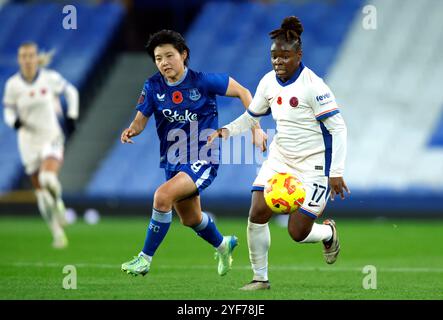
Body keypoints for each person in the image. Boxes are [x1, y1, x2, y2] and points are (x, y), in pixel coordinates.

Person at [208, 16, 350, 290]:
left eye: (285, 56)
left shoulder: (314, 86)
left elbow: (339, 128)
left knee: (297, 232)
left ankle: (328, 232)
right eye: (274, 56)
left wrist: (337, 172)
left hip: (314, 166)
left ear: (299, 55)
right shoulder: (268, 83)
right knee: (257, 212)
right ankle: (260, 278)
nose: (278, 62)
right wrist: (224, 131)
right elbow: (251, 117)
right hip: (280, 158)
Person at [120, 30, 266, 277]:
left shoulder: (203, 82)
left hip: (203, 157)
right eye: (158, 58)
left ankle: (144, 259)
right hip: (173, 160)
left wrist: (256, 128)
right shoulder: (153, 85)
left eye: (169, 56)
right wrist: (131, 130)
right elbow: (140, 120)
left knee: (162, 196)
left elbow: (244, 92)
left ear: (183, 54)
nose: (164, 62)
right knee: (190, 219)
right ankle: (224, 244)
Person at [2, 42, 79, 249]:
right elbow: (8, 111)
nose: (27, 60)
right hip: (28, 143)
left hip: (51, 137)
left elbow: (71, 92)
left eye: (31, 55)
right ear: (19, 60)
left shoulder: (49, 78)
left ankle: (60, 204)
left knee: (48, 178)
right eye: (23, 56)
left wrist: (72, 116)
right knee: (41, 193)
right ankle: (57, 233)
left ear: (36, 58)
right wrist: (14, 121)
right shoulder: (12, 85)